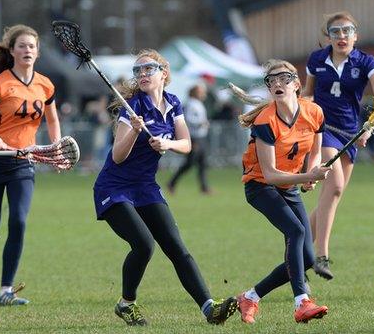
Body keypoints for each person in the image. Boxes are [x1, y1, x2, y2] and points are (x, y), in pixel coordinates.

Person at [92, 49, 237, 326]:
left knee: (176, 247)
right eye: (138, 71)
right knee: (144, 245)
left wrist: (167, 143)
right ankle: (126, 304)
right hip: (115, 186)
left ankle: (209, 308)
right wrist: (134, 130)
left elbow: (186, 144)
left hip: (146, 187)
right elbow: (117, 156)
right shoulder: (132, 107)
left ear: (163, 74)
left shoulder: (173, 103)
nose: (142, 74)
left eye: (149, 69)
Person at [0, 25, 62, 306]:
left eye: (32, 46)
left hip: (23, 164)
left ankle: (5, 291)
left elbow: (53, 120)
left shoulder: (45, 84)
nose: (27, 51)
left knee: (19, 222)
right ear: (11, 51)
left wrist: (55, 147)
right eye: (21, 46)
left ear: (37, 52)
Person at [236, 59, 331, 324]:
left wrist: (310, 175)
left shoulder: (314, 112)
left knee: (308, 258)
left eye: (284, 78)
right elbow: (270, 174)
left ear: (297, 84)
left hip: (288, 187)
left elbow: (315, 150)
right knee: (296, 231)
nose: (277, 83)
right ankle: (302, 302)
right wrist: (307, 175)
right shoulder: (266, 121)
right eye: (272, 80)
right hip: (260, 186)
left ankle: (251, 296)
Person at [303, 11, 374, 279]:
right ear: (327, 36)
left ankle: (297, 247)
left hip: (351, 134)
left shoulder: (366, 62)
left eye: (347, 31)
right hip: (323, 129)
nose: (342, 36)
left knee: (333, 195)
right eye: (336, 31)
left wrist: (370, 127)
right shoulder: (316, 60)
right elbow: (307, 93)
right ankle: (321, 254)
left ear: (356, 35)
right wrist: (294, 106)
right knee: (335, 185)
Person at [167, 83, 211, 194]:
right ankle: (171, 183)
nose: (203, 93)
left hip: (201, 137)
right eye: (201, 91)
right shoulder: (190, 104)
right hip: (194, 137)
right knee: (189, 163)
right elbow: (188, 119)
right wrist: (201, 123)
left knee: (202, 163)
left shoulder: (198, 103)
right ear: (195, 92)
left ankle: (204, 187)